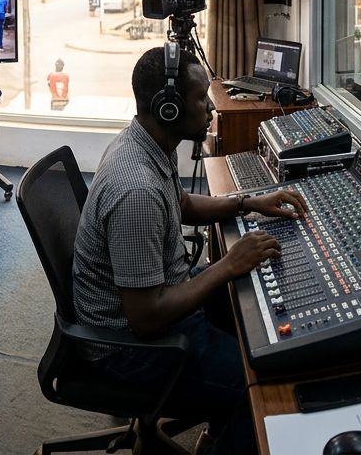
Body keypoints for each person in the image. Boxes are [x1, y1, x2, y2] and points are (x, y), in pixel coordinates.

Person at [71, 46, 307, 454]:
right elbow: (147, 318)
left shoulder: (145, 143)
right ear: (168, 108)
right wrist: (227, 264)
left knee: (245, 304)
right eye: (201, 99)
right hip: (126, 346)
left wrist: (247, 202)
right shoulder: (136, 191)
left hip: (152, 299)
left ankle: (219, 428)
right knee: (256, 385)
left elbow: (181, 204)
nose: (211, 108)